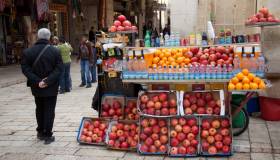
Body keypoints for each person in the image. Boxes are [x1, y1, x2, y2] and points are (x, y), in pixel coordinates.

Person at [21, 28, 63, 144]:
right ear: (49, 37)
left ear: (38, 37)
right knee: (49, 109)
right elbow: (59, 68)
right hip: (51, 86)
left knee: (39, 108)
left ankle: (40, 131)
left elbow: (25, 69)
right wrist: (47, 81)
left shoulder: (28, 51)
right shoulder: (55, 51)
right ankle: (47, 134)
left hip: (36, 86)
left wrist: (37, 81)